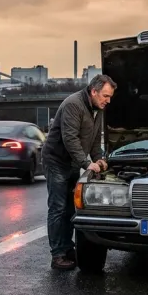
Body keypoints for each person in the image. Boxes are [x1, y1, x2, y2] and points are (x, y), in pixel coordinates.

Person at [41, 74, 117, 270]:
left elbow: (93, 140)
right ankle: (58, 255)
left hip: (73, 163)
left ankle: (68, 249)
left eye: (110, 97)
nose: (108, 101)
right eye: (106, 96)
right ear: (94, 91)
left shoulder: (97, 109)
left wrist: (99, 158)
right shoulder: (73, 105)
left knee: (70, 208)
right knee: (58, 208)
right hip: (57, 161)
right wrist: (86, 163)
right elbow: (70, 139)